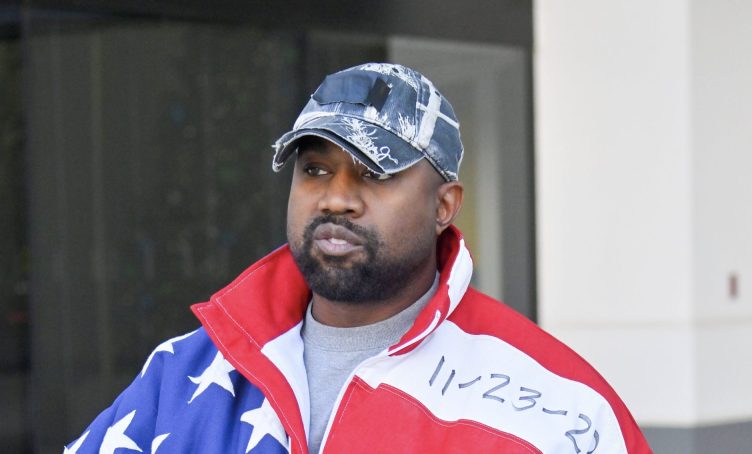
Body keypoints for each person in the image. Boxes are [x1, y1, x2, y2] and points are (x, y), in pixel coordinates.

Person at [64, 63, 651, 453]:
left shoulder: (557, 407)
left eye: (375, 173)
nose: (336, 198)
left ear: (444, 205)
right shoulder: (187, 370)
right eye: (315, 169)